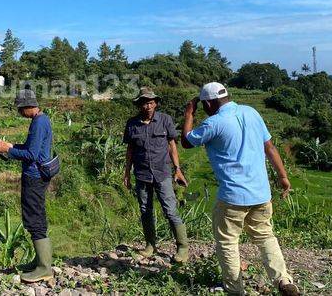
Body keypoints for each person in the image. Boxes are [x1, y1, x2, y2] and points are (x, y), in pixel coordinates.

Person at [181, 82, 300, 296]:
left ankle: (235, 290)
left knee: (227, 242)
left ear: (208, 103)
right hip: (261, 193)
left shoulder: (213, 123)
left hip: (232, 196)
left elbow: (187, 142)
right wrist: (283, 177)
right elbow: (269, 147)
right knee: (265, 236)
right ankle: (283, 280)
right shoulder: (251, 112)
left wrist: (189, 114)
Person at [0, 86, 54, 283]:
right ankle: (39, 261)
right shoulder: (40, 120)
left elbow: (31, 155)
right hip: (37, 175)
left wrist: (7, 150)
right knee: (35, 218)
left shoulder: (38, 123)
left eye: (20, 109)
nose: (19, 113)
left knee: (34, 219)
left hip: (34, 177)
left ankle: (44, 268)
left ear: (29, 107)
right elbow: (28, 148)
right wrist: (8, 147)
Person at [123, 87, 190, 263]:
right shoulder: (132, 123)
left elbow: (172, 145)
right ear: (139, 105)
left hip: (163, 173)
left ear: (156, 104)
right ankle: (150, 245)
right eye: (145, 103)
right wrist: (126, 173)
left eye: (151, 102)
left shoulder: (165, 120)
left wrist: (178, 169)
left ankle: (182, 247)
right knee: (145, 210)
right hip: (142, 173)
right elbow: (130, 150)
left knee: (170, 210)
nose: (148, 106)